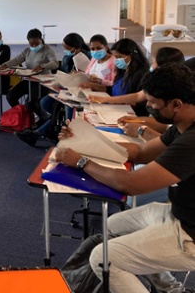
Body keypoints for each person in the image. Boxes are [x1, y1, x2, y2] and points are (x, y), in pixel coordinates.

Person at [55, 63, 195, 293]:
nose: (147, 106)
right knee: (112, 225)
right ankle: (170, 289)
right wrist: (84, 140)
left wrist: (82, 162)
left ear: (176, 104)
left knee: (103, 257)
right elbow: (141, 152)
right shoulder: (181, 125)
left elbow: (130, 184)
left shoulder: (190, 141)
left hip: (190, 234)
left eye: (152, 102)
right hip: (181, 214)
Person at [17, 34, 108, 147]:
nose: (64, 51)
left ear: (74, 47)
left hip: (82, 92)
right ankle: (49, 128)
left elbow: (98, 79)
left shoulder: (87, 58)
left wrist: (83, 76)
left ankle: (40, 133)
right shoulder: (68, 58)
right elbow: (66, 72)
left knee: (65, 108)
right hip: (68, 89)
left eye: (66, 48)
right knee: (45, 103)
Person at [0, 28, 58, 108]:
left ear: (41, 39)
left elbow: (55, 63)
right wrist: (5, 65)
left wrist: (42, 66)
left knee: (30, 103)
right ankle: (21, 113)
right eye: (31, 43)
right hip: (30, 79)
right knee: (10, 96)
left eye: (36, 43)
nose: (33, 46)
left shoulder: (47, 49)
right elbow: (17, 59)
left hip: (43, 81)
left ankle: (43, 118)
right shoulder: (27, 50)